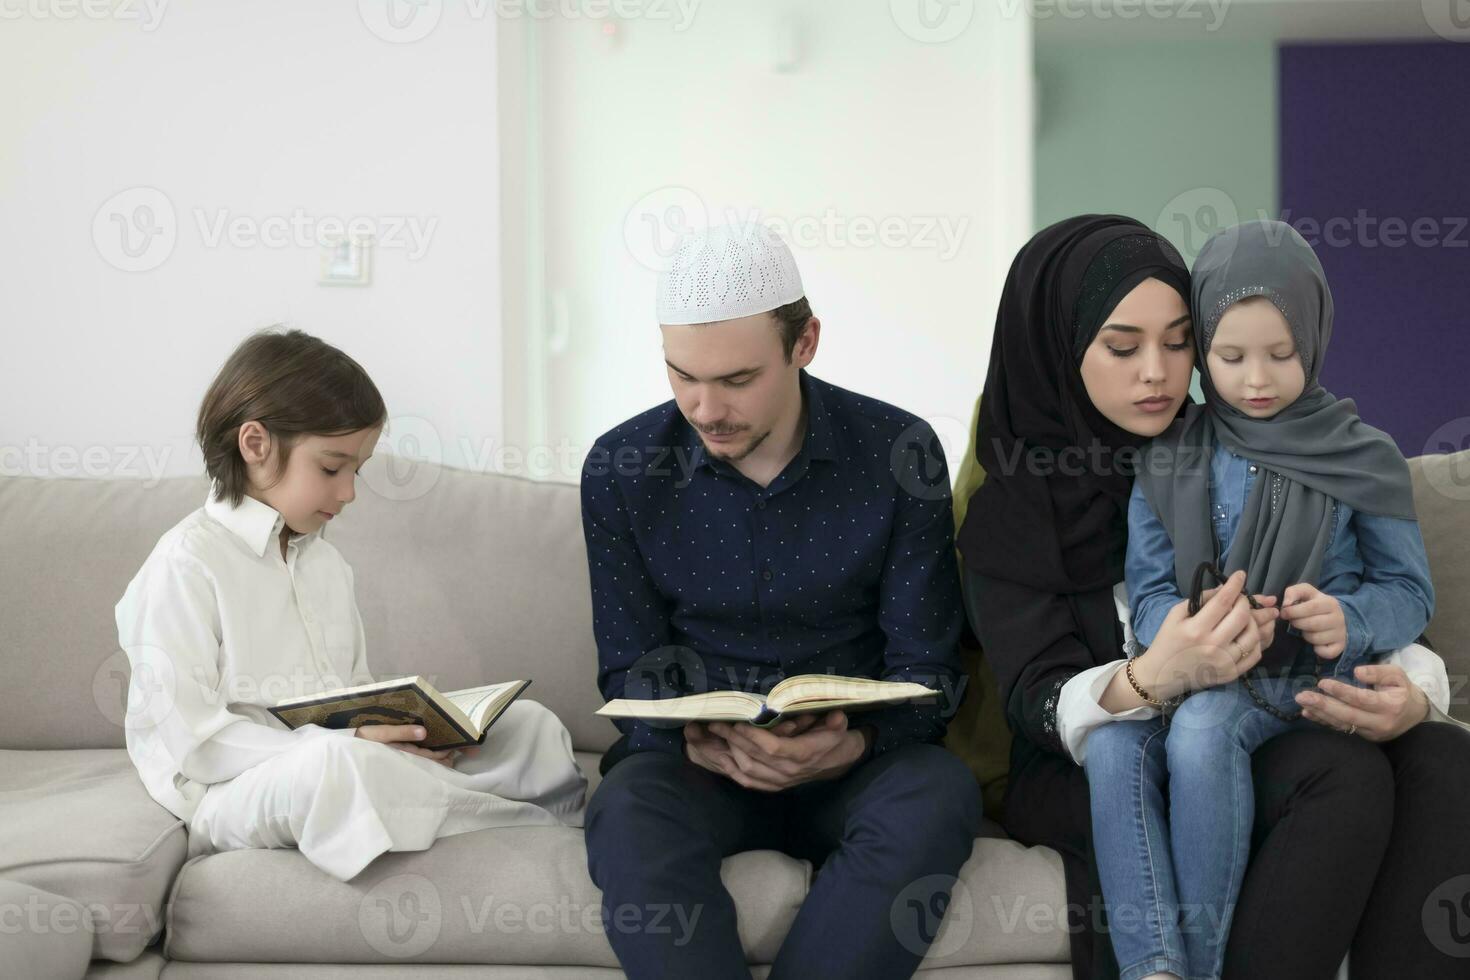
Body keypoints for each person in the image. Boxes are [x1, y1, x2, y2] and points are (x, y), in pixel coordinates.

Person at [952, 214, 1470, 979]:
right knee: (1341, 778)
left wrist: (1416, 692)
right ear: (1063, 349)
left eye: (1178, 342)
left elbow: (1364, 582)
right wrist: (1159, 672)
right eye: (1123, 348)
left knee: (1438, 753)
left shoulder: (1236, 437)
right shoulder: (1009, 502)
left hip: (1251, 701)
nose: (1158, 373)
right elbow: (1037, 697)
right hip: (1092, 748)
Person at [580, 223, 981, 979]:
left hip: (856, 763)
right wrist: (695, 741)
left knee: (939, 791)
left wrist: (855, 745)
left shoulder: (900, 451)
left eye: (736, 380)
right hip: (702, 768)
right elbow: (629, 674)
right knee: (629, 807)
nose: (704, 407)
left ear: (805, 344)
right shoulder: (621, 469)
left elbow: (931, 671)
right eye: (681, 376)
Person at [1086, 220, 1435, 980]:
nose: (1255, 379)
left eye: (1282, 354)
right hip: (1197, 676)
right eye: (1229, 356)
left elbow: (1410, 590)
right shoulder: (1171, 456)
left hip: (1305, 680)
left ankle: (1204, 969)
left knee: (1205, 726)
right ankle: (1155, 970)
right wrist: (1185, 634)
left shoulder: (1362, 454)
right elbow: (1146, 592)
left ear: (1314, 337)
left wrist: (1351, 618)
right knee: (1111, 748)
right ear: (1202, 352)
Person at [116, 328, 586, 881]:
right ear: (256, 444)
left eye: (356, 471)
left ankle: (470, 811)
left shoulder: (326, 565)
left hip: (345, 756)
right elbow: (198, 746)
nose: (348, 493)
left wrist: (401, 730)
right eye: (331, 468)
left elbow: (351, 696)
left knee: (527, 724)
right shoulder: (185, 565)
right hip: (235, 790)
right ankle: (506, 819)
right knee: (337, 766)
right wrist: (355, 742)